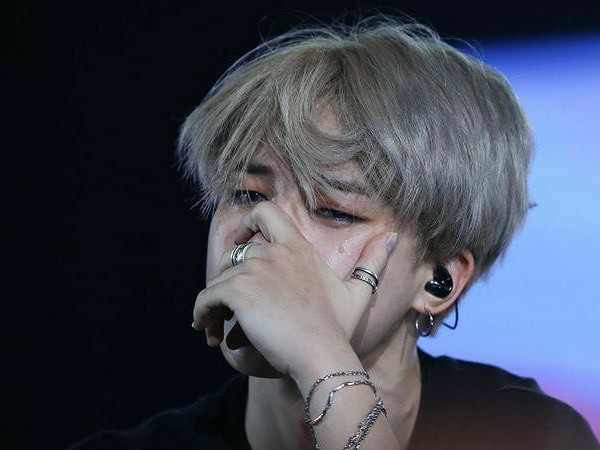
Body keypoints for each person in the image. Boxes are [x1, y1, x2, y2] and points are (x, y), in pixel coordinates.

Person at [70, 17, 599, 450]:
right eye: (247, 194)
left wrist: (320, 359)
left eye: (334, 211)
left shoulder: (529, 434)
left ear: (438, 279)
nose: (264, 232)